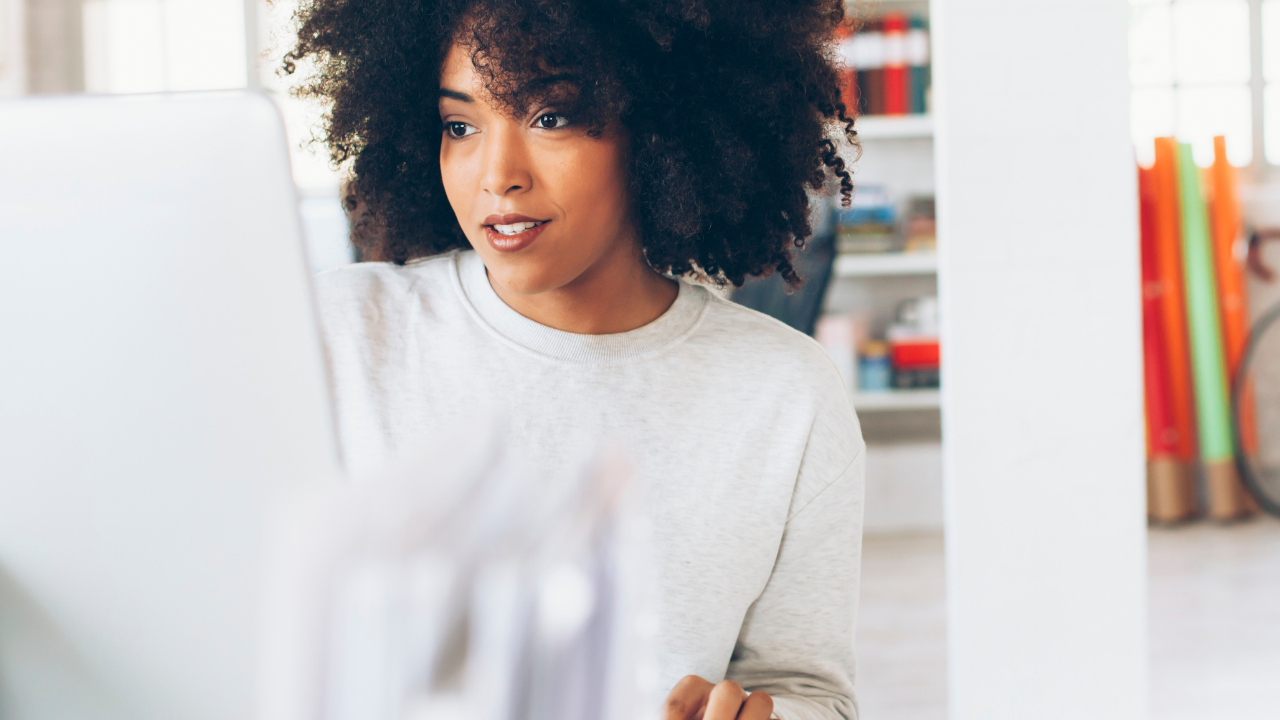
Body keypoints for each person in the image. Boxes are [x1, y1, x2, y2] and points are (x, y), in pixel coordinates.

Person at [286, 1, 865, 718]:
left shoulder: (786, 395)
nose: (497, 175)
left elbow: (810, 691)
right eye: (460, 125)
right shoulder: (339, 336)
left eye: (549, 117)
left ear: (657, 127)